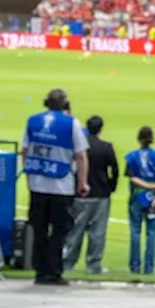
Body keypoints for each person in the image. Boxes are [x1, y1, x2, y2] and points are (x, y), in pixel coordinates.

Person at [22, 88, 90, 285]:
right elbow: (81, 155)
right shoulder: (71, 123)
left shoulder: (33, 121)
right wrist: (83, 182)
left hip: (37, 184)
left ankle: (40, 271)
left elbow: (25, 151)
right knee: (60, 231)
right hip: (61, 185)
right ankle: (54, 271)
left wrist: (29, 176)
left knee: (40, 230)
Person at [64, 115, 118, 275]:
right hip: (101, 194)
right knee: (98, 231)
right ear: (100, 128)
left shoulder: (80, 147)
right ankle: (93, 265)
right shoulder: (105, 147)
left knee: (75, 229)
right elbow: (114, 169)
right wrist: (110, 187)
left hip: (80, 193)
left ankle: (68, 262)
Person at [125, 126, 155, 276]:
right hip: (154, 198)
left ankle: (135, 267)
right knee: (152, 233)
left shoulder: (132, 157)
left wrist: (147, 185)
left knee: (135, 232)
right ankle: (149, 268)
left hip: (137, 197)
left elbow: (132, 177)